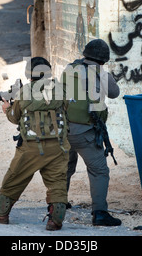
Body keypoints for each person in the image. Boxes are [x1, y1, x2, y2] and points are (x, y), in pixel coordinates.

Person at [0, 57, 70, 231]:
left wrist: (7, 109)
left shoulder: (24, 92)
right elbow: (66, 110)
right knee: (57, 181)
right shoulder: (60, 90)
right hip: (58, 146)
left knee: (15, 177)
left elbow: (15, 117)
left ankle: (2, 213)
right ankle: (56, 219)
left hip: (31, 147)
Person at [62, 39, 122, 226]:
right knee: (99, 171)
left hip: (64, 129)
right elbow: (114, 93)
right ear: (104, 59)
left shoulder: (69, 69)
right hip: (86, 132)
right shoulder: (103, 75)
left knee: (66, 167)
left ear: (85, 54)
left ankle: (59, 203)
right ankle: (100, 213)